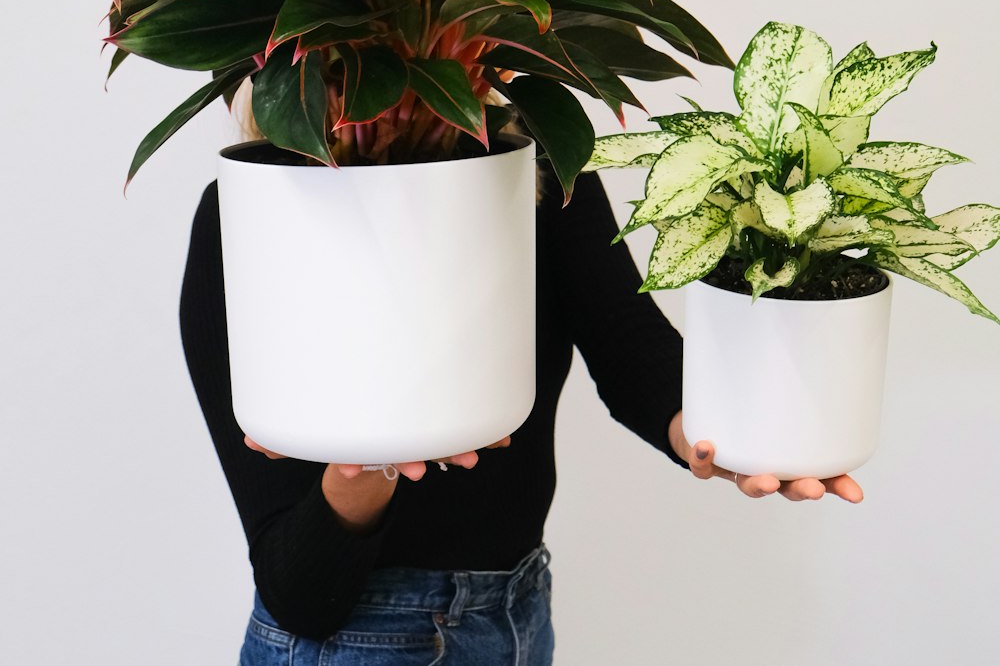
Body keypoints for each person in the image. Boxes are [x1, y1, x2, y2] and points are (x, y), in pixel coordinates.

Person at [180, 148, 864, 666]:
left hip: (516, 611)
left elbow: (633, 354)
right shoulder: (258, 210)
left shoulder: (534, 171)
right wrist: (367, 460)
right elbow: (296, 590)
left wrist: (735, 440)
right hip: (357, 637)